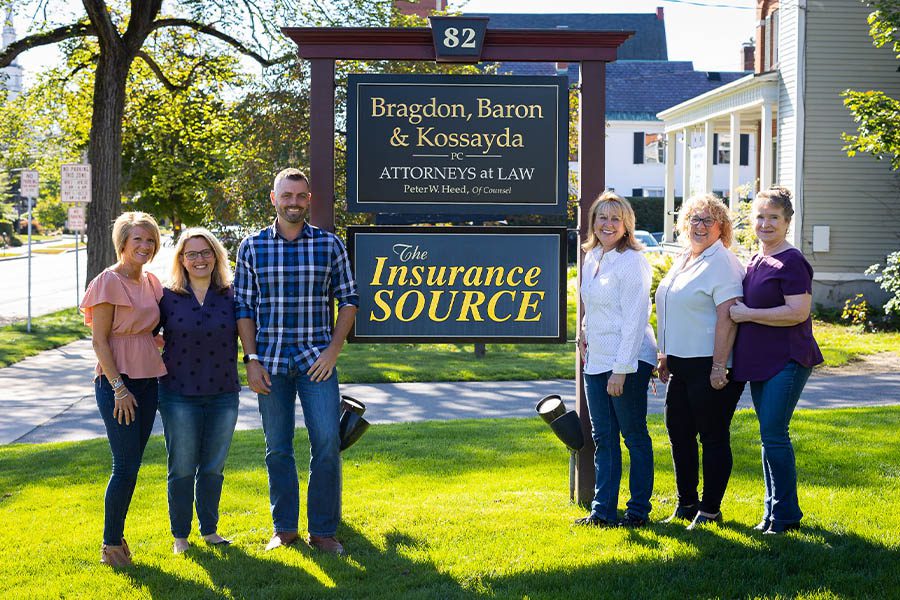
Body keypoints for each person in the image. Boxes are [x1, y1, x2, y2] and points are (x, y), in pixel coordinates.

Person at [235, 168, 359, 555]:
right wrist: (251, 360)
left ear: (309, 200)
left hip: (315, 362)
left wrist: (333, 350)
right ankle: (284, 527)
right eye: (286, 196)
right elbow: (243, 307)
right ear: (274, 199)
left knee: (325, 442)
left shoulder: (329, 245)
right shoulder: (252, 247)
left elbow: (349, 300)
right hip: (269, 362)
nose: (293, 202)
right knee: (277, 448)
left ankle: (323, 531)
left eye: (300, 196)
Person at [730, 186, 823, 535]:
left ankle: (785, 516)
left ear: (787, 222)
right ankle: (772, 513)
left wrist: (749, 314)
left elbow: (798, 312)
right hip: (759, 361)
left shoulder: (792, 260)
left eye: (773, 218)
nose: (765, 224)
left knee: (774, 435)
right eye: (760, 217)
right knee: (769, 436)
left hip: (788, 358)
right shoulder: (756, 259)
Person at [655, 193, 746, 530]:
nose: (700, 225)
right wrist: (664, 352)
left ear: (721, 226)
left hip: (711, 365)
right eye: (694, 218)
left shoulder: (721, 262)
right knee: (678, 431)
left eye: (708, 219)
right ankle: (686, 504)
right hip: (682, 363)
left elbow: (728, 316)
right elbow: (672, 307)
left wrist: (719, 367)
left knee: (712, 436)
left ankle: (709, 510)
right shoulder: (688, 258)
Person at [80, 211, 166, 567]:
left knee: (132, 463)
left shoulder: (152, 282)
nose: (144, 246)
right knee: (125, 465)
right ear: (122, 244)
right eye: (137, 241)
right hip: (119, 384)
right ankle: (111, 545)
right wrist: (118, 388)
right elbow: (100, 341)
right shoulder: (107, 281)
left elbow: (152, 328)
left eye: (150, 240)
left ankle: (117, 539)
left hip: (148, 381)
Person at [575, 192, 658, 528]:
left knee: (633, 436)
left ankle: (638, 511)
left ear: (626, 225)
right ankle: (602, 511)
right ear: (593, 222)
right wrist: (583, 332)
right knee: (603, 438)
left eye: (615, 218)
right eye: (601, 217)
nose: (607, 224)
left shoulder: (633, 262)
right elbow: (594, 303)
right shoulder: (593, 256)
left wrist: (621, 372)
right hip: (596, 359)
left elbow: (635, 320)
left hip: (629, 360)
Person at [157, 228, 240, 554]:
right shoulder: (167, 296)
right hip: (179, 393)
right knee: (181, 465)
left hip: (223, 392)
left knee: (213, 466)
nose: (199, 259)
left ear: (216, 256)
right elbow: (143, 332)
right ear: (181, 259)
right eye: (191, 254)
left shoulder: (232, 294)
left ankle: (209, 530)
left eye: (205, 252)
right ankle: (180, 536)